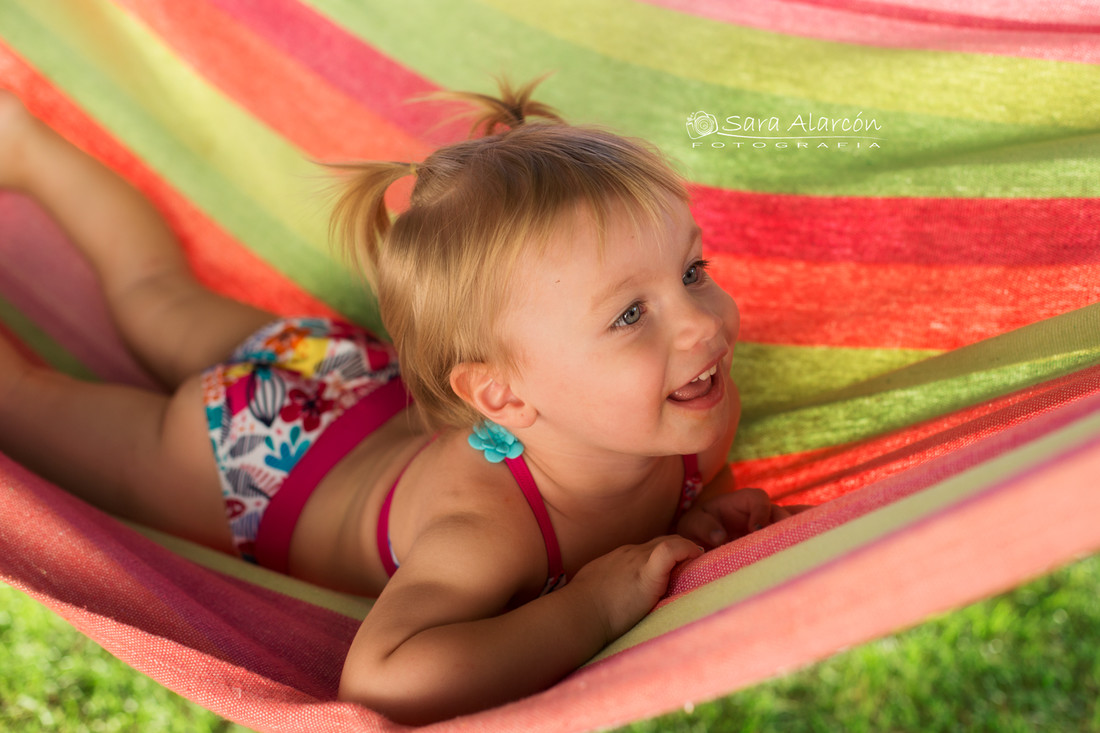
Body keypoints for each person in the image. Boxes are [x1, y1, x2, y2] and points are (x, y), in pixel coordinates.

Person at [0, 79, 803, 724]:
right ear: (502, 393)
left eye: (693, 271)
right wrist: (595, 604)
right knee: (24, 402)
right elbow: (389, 676)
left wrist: (689, 525)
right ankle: (24, 144)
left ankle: (23, 146)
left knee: (154, 294)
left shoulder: (694, 411)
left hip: (346, 374)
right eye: (631, 314)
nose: (703, 324)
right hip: (250, 460)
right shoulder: (488, 527)